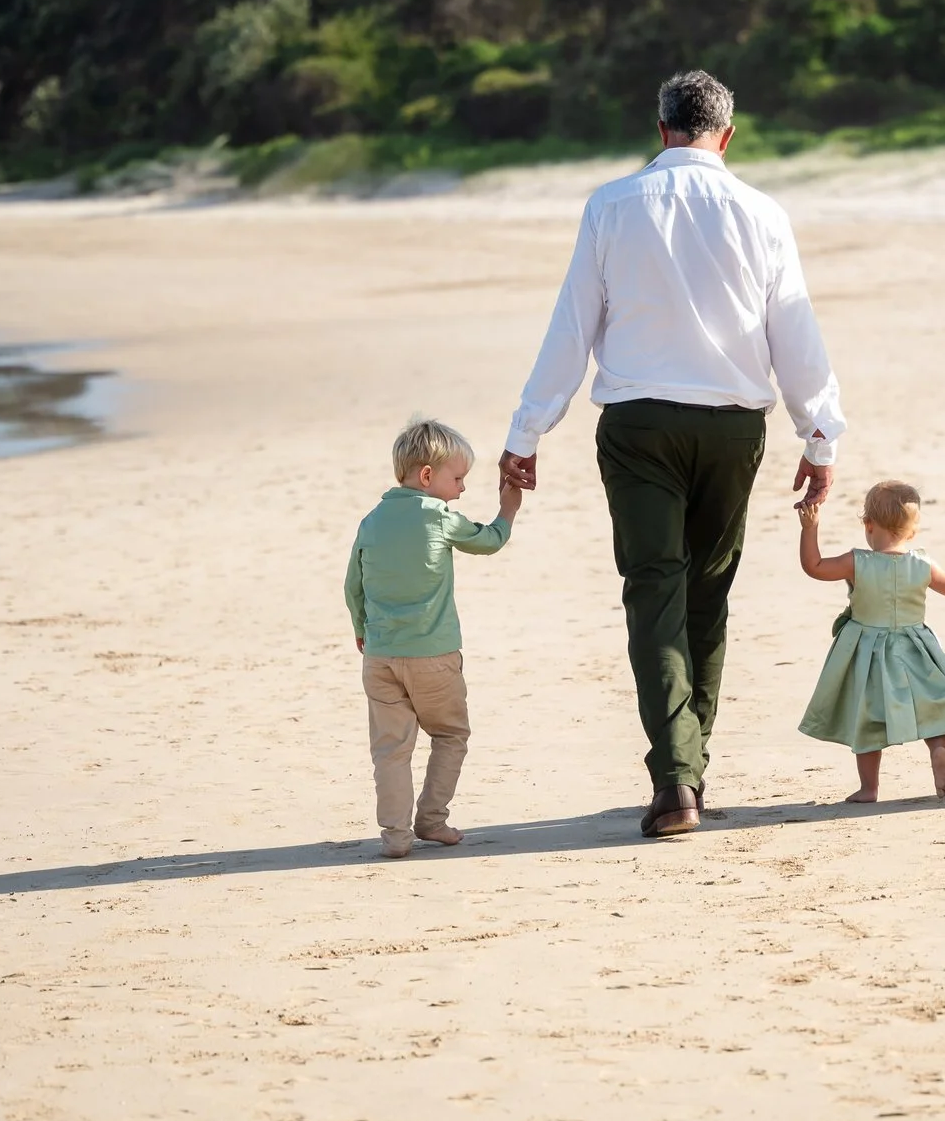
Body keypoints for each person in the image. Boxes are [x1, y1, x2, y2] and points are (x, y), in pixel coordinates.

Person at [501, 70, 843, 838]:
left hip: (638, 424)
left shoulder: (611, 205)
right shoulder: (762, 212)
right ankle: (691, 765)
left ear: (661, 131)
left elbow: (572, 328)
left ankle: (676, 781)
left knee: (654, 592)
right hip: (730, 429)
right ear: (728, 133)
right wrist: (818, 434)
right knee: (707, 595)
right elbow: (795, 331)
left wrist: (526, 434)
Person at [344, 417, 522, 858]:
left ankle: (395, 836)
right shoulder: (440, 516)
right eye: (458, 478)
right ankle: (432, 818)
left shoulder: (371, 520)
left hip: (380, 656)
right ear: (427, 476)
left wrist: (361, 629)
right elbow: (490, 541)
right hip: (434, 657)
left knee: (390, 750)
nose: (461, 489)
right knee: (450, 734)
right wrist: (509, 509)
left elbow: (353, 586)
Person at [795, 480, 945, 803]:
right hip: (916, 647)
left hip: (867, 653)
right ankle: (938, 752)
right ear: (913, 533)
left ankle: (869, 788)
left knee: (868, 720)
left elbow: (814, 567)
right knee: (935, 706)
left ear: (868, 525)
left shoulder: (857, 562)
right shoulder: (922, 563)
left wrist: (811, 527)